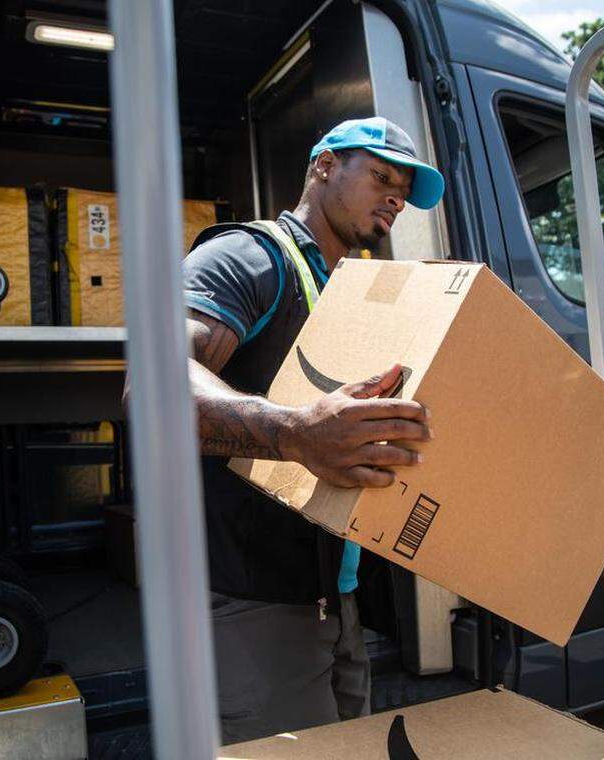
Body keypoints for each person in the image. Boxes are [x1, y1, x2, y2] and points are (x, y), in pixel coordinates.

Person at [180, 116, 445, 743]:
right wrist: (295, 433)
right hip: (254, 597)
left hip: (335, 596)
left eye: (403, 190)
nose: (393, 198)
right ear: (324, 166)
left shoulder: (349, 288)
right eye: (381, 176)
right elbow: (156, 383)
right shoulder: (247, 257)